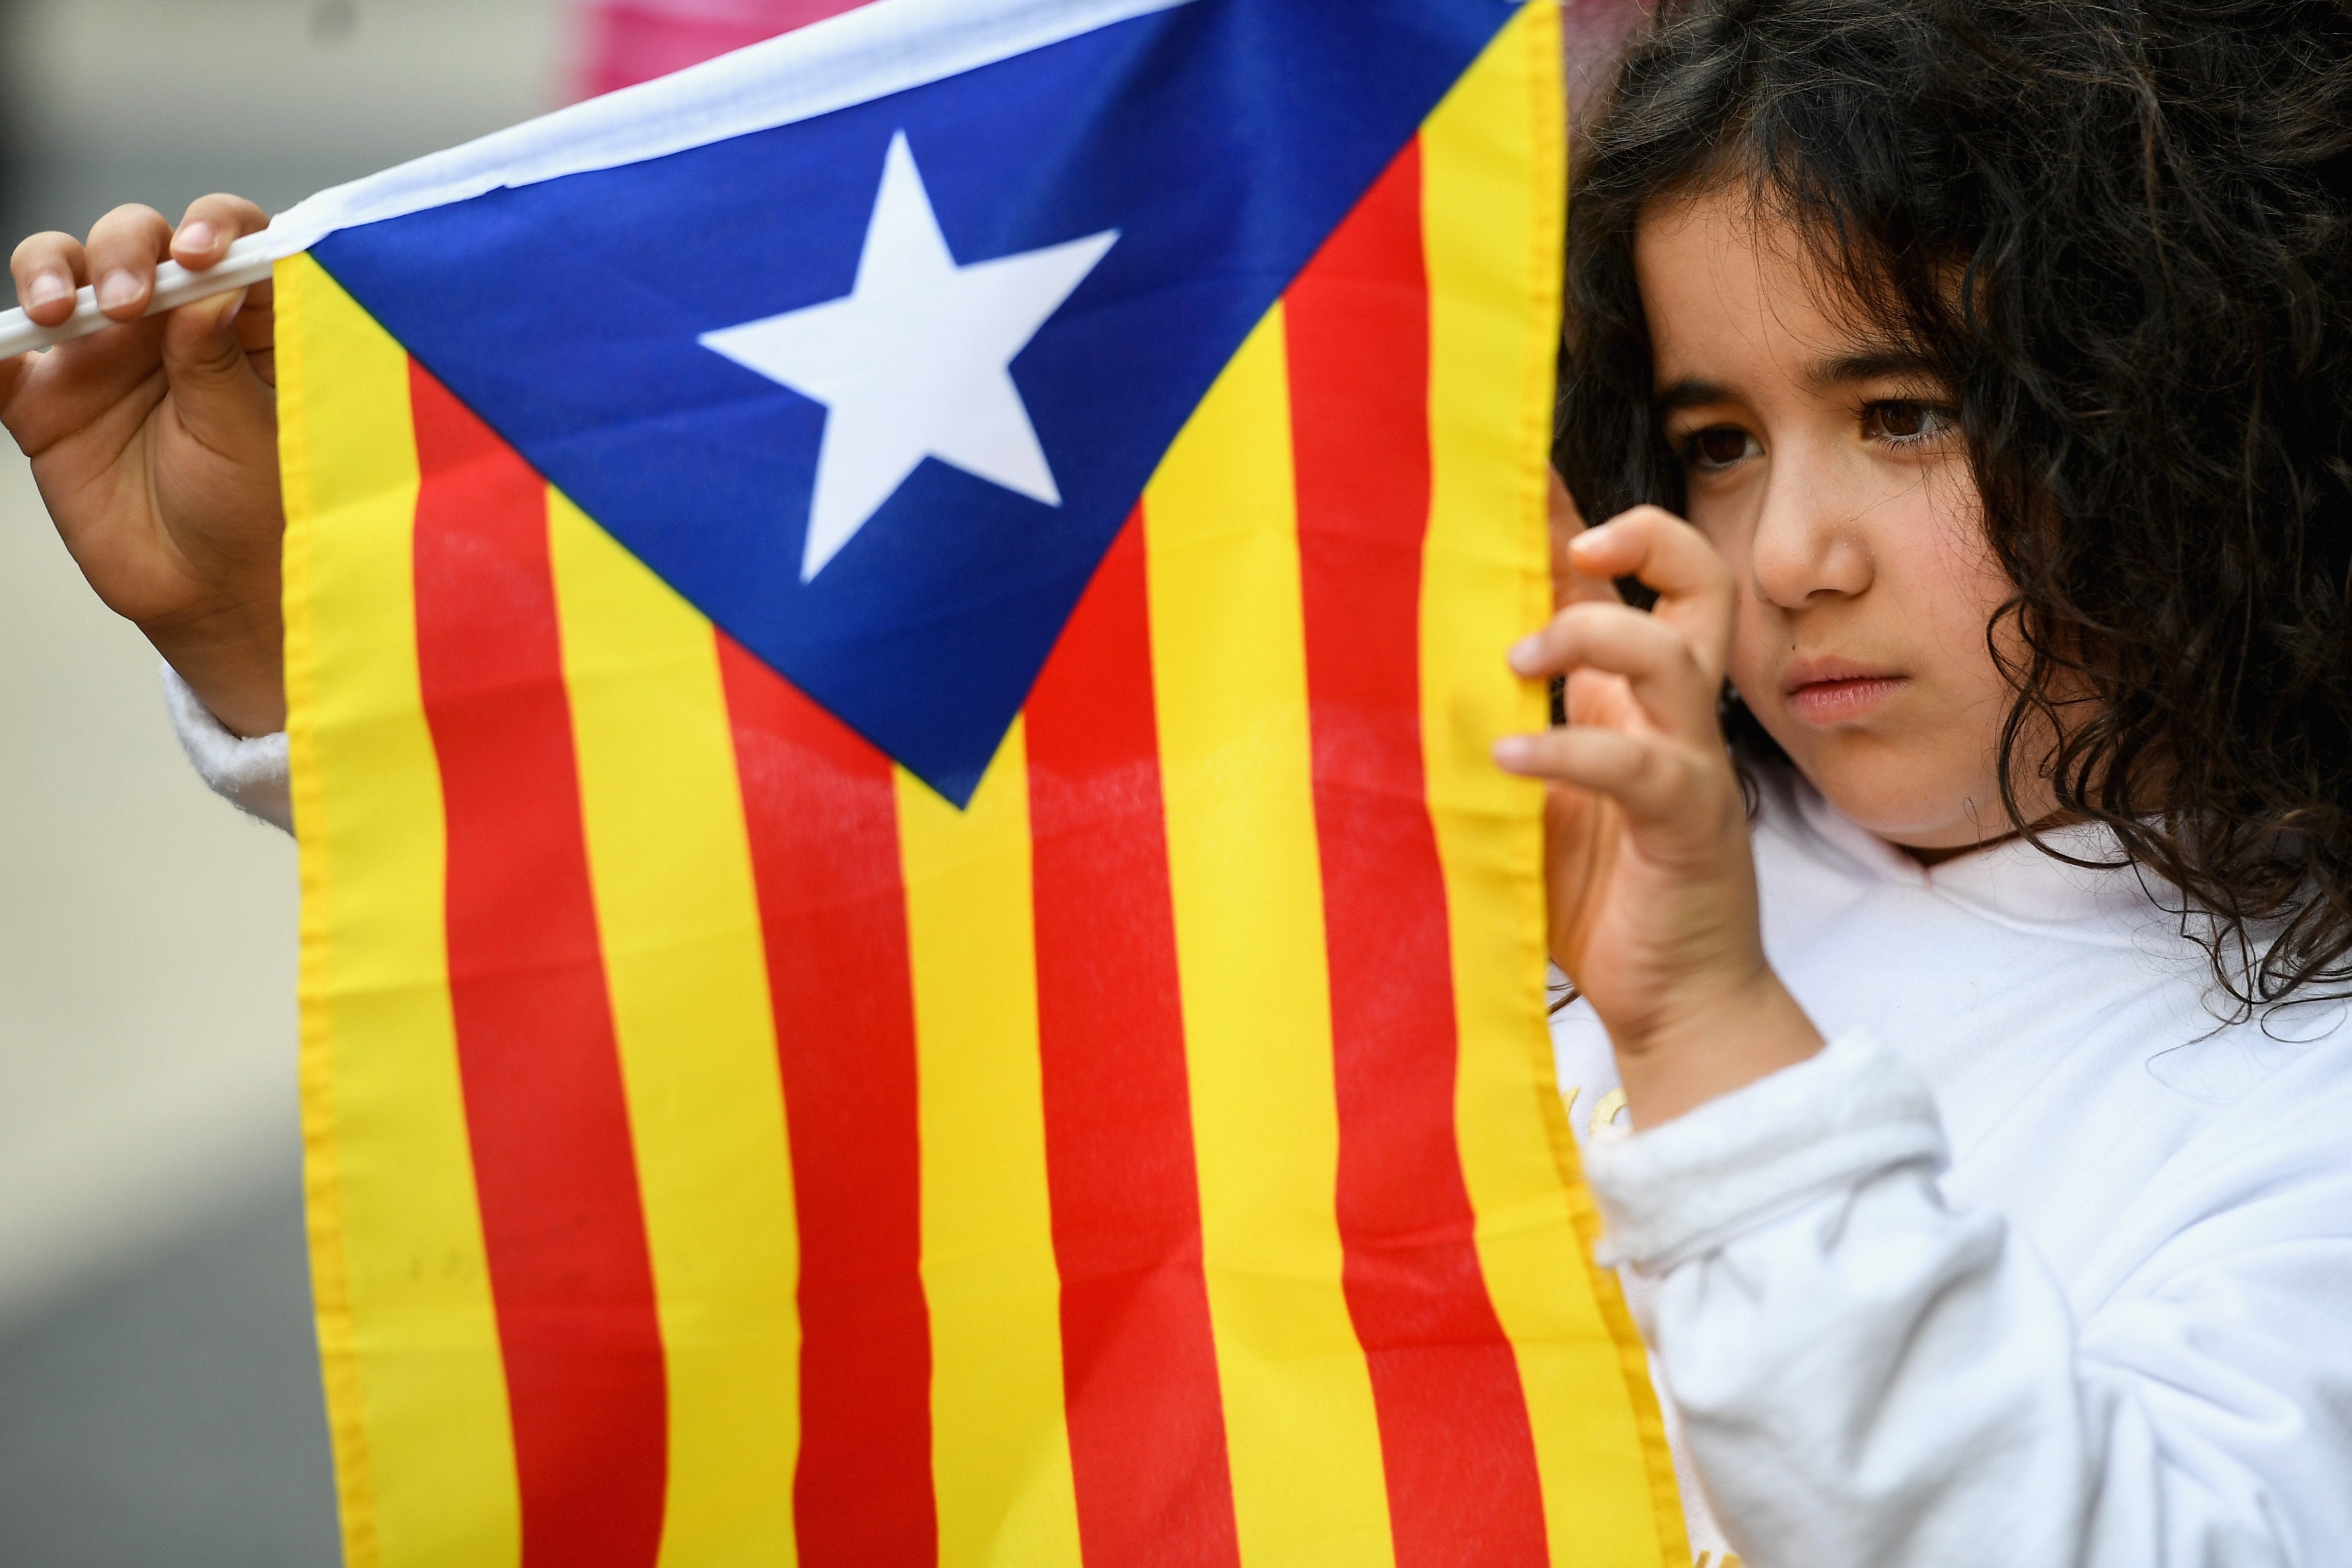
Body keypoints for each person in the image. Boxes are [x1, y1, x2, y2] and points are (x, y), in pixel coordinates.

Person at [5, 0, 2348, 1563]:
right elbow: (886, 934)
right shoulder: (1582, 777)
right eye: (1719, 442)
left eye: (1910, 413)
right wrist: (268, 629)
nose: (1786, 552)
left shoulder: (2294, 1107)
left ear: (2215, 408)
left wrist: (1708, 1039)